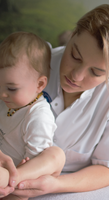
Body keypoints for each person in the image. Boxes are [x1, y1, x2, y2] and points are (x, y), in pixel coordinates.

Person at [0, 4, 109, 199]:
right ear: (72, 35)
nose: (76, 76)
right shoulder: (32, 64)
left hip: (53, 181)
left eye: (96, 72)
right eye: (75, 56)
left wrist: (56, 185)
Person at [0, 32, 65, 199]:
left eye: (11, 88)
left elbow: (35, 163)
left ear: (40, 84)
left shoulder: (38, 116)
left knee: (55, 154)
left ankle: (9, 180)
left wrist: (14, 176)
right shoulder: (6, 101)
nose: (2, 94)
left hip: (17, 182)